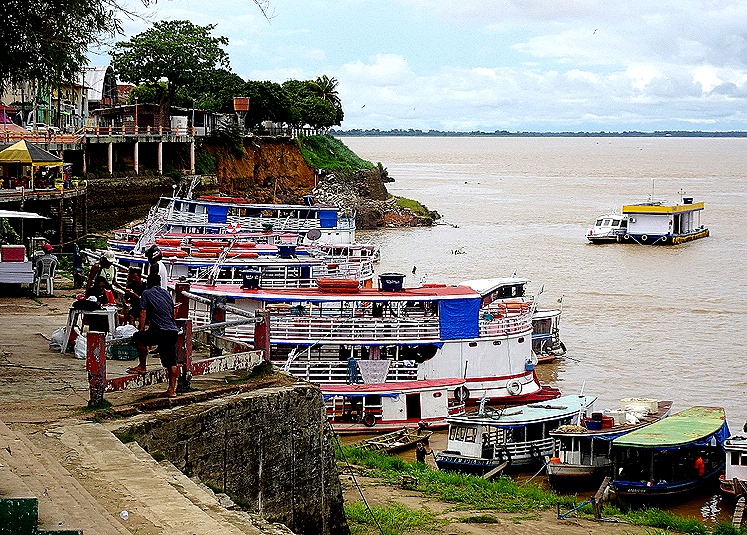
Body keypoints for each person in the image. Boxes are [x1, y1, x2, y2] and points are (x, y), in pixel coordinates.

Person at [127, 273, 179, 398]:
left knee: (139, 338)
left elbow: (143, 312)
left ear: (148, 283)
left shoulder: (146, 293)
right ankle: (172, 389)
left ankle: (142, 366)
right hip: (172, 330)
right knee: (172, 362)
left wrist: (141, 330)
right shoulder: (166, 293)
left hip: (162, 331)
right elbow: (171, 312)